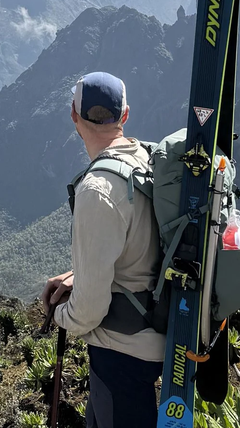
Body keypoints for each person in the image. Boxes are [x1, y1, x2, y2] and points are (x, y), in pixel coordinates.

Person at [41, 71, 164, 428]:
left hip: (121, 353)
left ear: (73, 116)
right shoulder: (148, 160)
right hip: (160, 336)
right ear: (125, 115)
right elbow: (142, 245)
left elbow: (88, 312)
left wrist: (56, 313)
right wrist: (82, 275)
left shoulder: (97, 189)